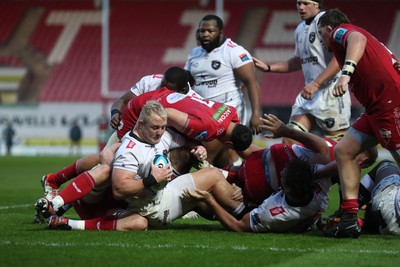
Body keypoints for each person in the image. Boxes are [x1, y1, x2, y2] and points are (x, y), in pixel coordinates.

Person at [43, 101, 246, 231]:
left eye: (163, 127)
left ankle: (245, 208)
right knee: (138, 222)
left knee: (210, 174)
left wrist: (197, 148)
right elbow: (119, 189)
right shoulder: (129, 150)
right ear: (140, 125)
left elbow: (183, 142)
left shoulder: (162, 136)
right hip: (154, 208)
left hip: (165, 190)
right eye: (155, 128)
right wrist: (152, 180)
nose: (160, 132)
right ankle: (247, 216)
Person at [317, 8, 400, 238]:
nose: (321, 39)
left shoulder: (340, 33)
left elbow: (357, 39)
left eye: (320, 33)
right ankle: (349, 219)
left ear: (327, 28)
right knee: (344, 151)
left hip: (388, 105)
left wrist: (346, 73)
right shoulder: (362, 36)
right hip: (376, 108)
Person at [222, 113, 377, 207]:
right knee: (224, 182)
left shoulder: (336, 152)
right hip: (264, 181)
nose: (360, 166)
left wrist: (287, 132)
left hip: (266, 169)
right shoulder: (342, 159)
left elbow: (312, 146)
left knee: (223, 177)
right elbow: (318, 148)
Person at [252, 0, 351, 145]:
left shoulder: (325, 22)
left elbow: (339, 57)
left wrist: (316, 84)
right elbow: (299, 60)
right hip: (309, 93)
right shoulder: (299, 29)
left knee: (336, 150)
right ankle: (303, 167)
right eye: (298, 3)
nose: (301, 7)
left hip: (331, 93)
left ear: (317, 4)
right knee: (290, 140)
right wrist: (269, 67)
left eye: (306, 3)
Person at [184, 14, 262, 167]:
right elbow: (186, 83)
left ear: (220, 32)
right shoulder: (194, 53)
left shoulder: (234, 51)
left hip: (228, 109)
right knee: (223, 159)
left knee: (204, 155)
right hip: (203, 112)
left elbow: (251, 82)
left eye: (210, 31)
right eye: (202, 31)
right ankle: (239, 174)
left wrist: (256, 114)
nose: (205, 34)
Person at [184, 157, 332, 233]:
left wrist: (211, 201)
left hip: (248, 213)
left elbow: (238, 226)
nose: (281, 173)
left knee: (213, 179)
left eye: (283, 177)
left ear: (288, 189)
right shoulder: (321, 186)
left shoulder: (272, 213)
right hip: (259, 202)